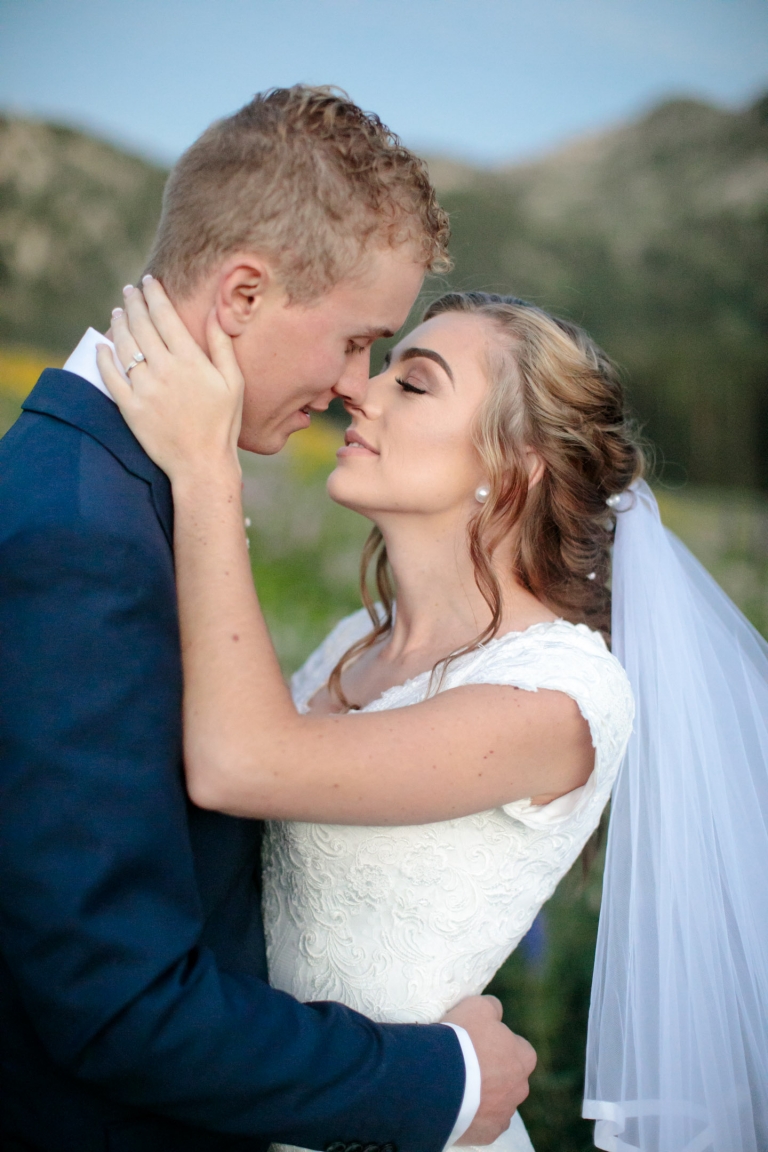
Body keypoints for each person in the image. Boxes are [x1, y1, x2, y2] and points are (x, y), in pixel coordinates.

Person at [0, 87, 535, 1152]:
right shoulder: (83, 534)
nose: (354, 388)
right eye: (354, 342)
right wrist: (442, 1080)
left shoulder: (107, 483)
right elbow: (118, 1000)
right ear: (243, 293)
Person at [98, 282, 641, 1152]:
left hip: (398, 1124)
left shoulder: (562, 699)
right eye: (379, 368)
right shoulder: (357, 642)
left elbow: (243, 764)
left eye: (414, 382)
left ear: (517, 462)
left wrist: (206, 472)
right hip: (263, 1095)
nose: (361, 391)